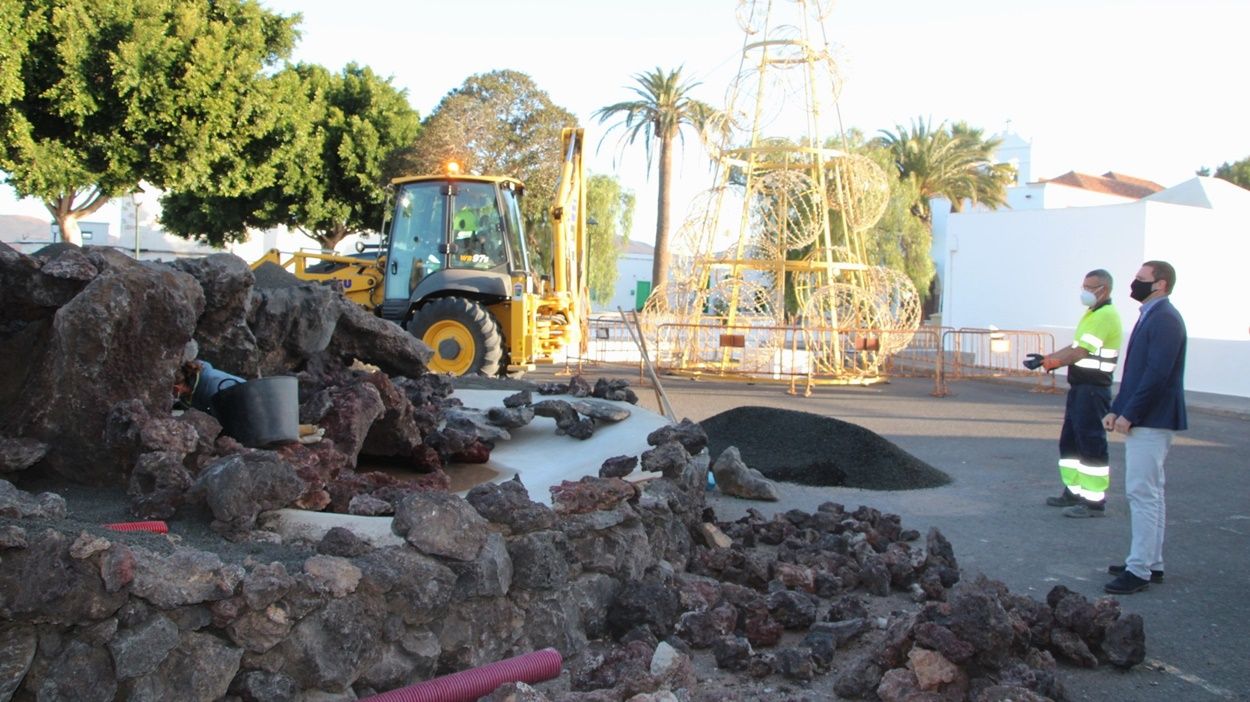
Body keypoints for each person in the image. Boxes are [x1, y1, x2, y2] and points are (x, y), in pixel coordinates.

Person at [1101, 260, 1187, 595]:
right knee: (1150, 492)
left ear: (1160, 284)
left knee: (1142, 493)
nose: (1134, 284)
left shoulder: (1165, 319)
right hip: (1146, 417)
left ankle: (1139, 569)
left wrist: (1130, 413)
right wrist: (1117, 408)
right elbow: (1136, 373)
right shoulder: (1152, 316)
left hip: (1152, 420)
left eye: (1141, 279)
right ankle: (1151, 562)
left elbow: (1156, 375)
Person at [1023, 269, 1122, 518]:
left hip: (1093, 389)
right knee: (1071, 442)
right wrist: (1049, 358)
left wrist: (1053, 363)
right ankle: (1074, 492)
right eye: (1084, 286)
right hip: (1081, 387)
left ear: (1105, 290)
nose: (1085, 292)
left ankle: (1094, 502)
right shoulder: (1092, 313)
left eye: (1091, 288)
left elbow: (1081, 353)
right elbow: (1076, 347)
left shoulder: (1105, 316)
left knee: (1090, 442)